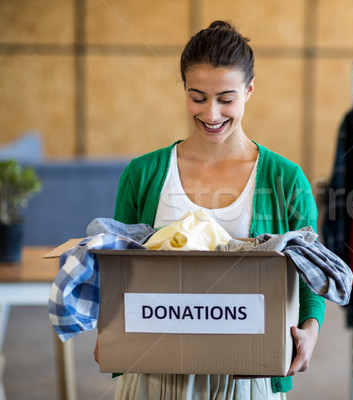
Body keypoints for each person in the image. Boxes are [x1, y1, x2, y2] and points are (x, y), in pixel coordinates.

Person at [101, 20, 325, 399]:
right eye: (197, 96)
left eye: (226, 98)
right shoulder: (143, 174)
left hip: (249, 377)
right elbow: (117, 271)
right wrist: (108, 332)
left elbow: (309, 275)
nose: (211, 113)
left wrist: (311, 331)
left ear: (249, 90)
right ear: (184, 90)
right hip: (156, 375)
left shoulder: (287, 179)